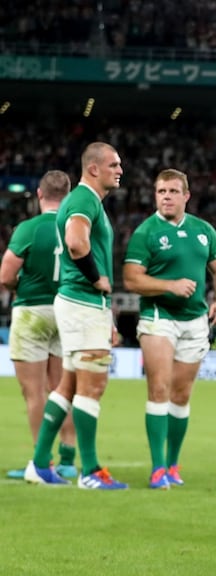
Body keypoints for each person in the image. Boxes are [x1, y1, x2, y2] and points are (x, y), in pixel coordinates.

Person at [23, 142, 128, 489]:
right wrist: (97, 277)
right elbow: (77, 243)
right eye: (113, 164)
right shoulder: (84, 200)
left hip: (78, 303)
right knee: (91, 386)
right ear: (93, 168)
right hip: (82, 302)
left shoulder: (83, 201)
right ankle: (91, 471)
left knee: (67, 386)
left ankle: (39, 464)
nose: (120, 170)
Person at [123, 169, 216, 489]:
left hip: (196, 321)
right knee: (159, 389)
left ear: (186, 195)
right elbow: (131, 278)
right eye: (161, 191)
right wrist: (168, 286)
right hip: (159, 318)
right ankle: (157, 468)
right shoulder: (146, 232)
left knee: (181, 395)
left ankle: (172, 464)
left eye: (172, 191)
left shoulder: (204, 230)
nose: (166, 196)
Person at [1, 170, 77, 481]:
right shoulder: (77, 226)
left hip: (32, 311)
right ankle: (69, 457)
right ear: (68, 196)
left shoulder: (29, 228)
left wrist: (24, 286)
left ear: (40, 196)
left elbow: (5, 275)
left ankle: (40, 461)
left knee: (34, 393)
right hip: (68, 310)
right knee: (63, 389)